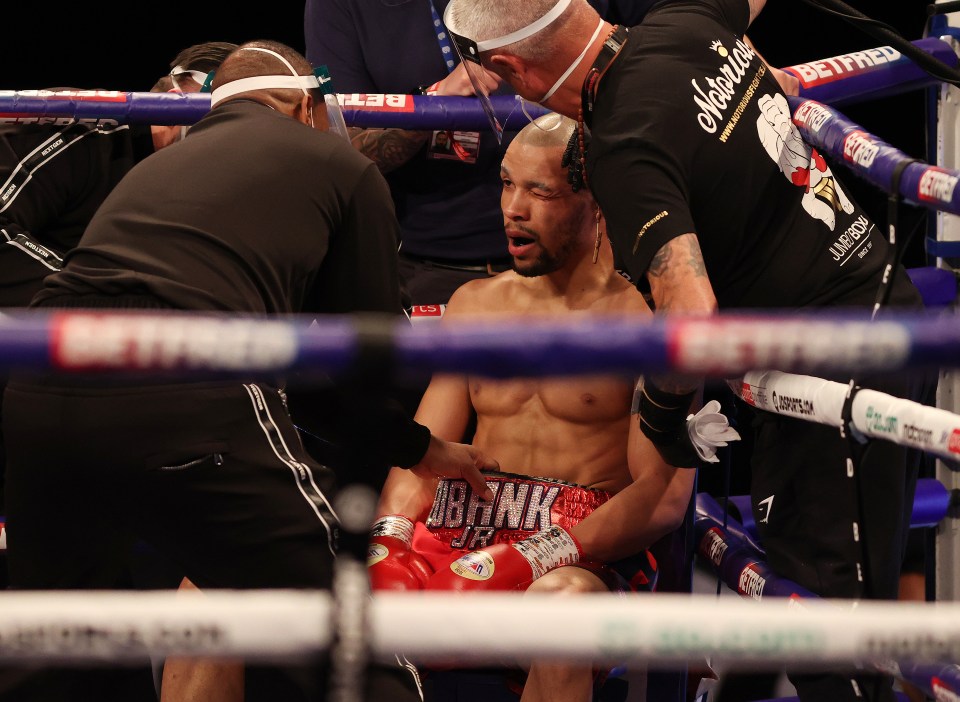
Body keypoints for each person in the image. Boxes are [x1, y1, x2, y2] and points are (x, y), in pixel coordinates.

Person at [439, 2, 936, 701]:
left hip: (838, 355)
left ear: (510, 68)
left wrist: (665, 415)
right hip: (854, 311)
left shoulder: (625, 144)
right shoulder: (684, 23)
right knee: (805, 602)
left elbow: (691, 315)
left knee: (834, 634)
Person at [0, 40, 497, 702]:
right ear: (302, 104)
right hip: (185, 378)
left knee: (47, 654)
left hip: (40, 386)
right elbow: (358, 370)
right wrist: (421, 449)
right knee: (346, 635)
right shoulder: (339, 165)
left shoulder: (158, 169)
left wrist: (415, 449)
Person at [368, 113, 700, 702]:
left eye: (539, 191)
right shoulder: (473, 305)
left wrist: (537, 556)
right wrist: (390, 538)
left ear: (595, 201)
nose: (512, 209)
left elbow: (663, 497)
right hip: (460, 530)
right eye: (505, 184)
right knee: (347, 597)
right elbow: (424, 449)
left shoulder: (648, 323)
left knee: (559, 613)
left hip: (580, 548)